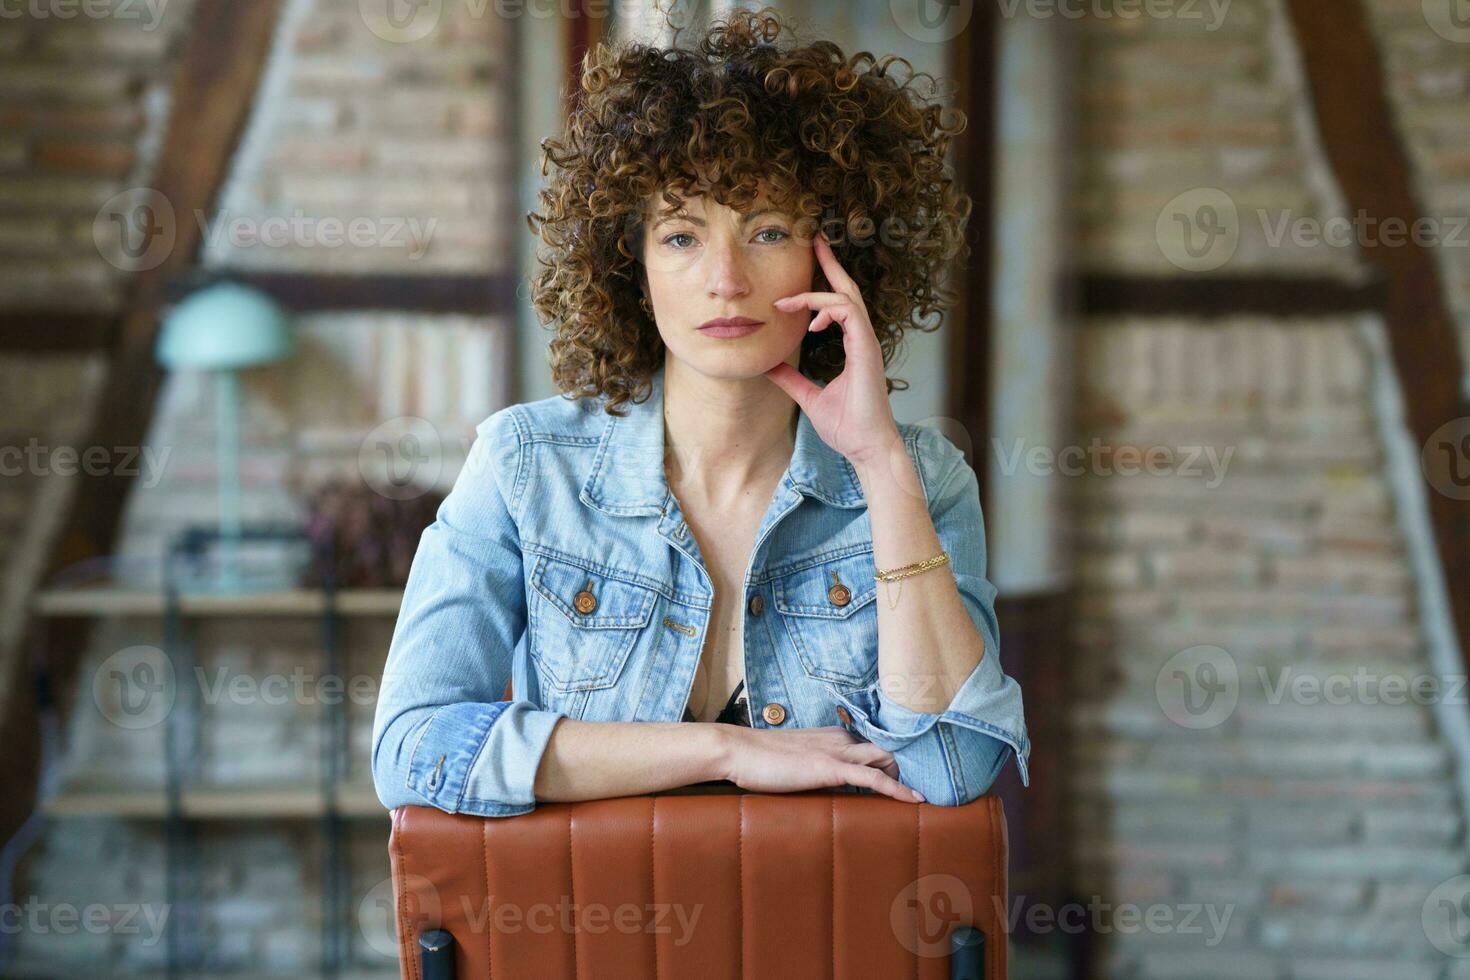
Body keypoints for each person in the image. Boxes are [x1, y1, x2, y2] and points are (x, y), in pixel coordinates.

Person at [371, 7, 1028, 818]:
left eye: (768, 230)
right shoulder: (524, 466)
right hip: (591, 934)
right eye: (681, 236)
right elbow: (412, 749)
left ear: (839, 258)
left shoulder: (923, 477)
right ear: (630, 264)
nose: (725, 278)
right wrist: (727, 749)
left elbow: (954, 769)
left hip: (824, 938)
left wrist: (881, 467)